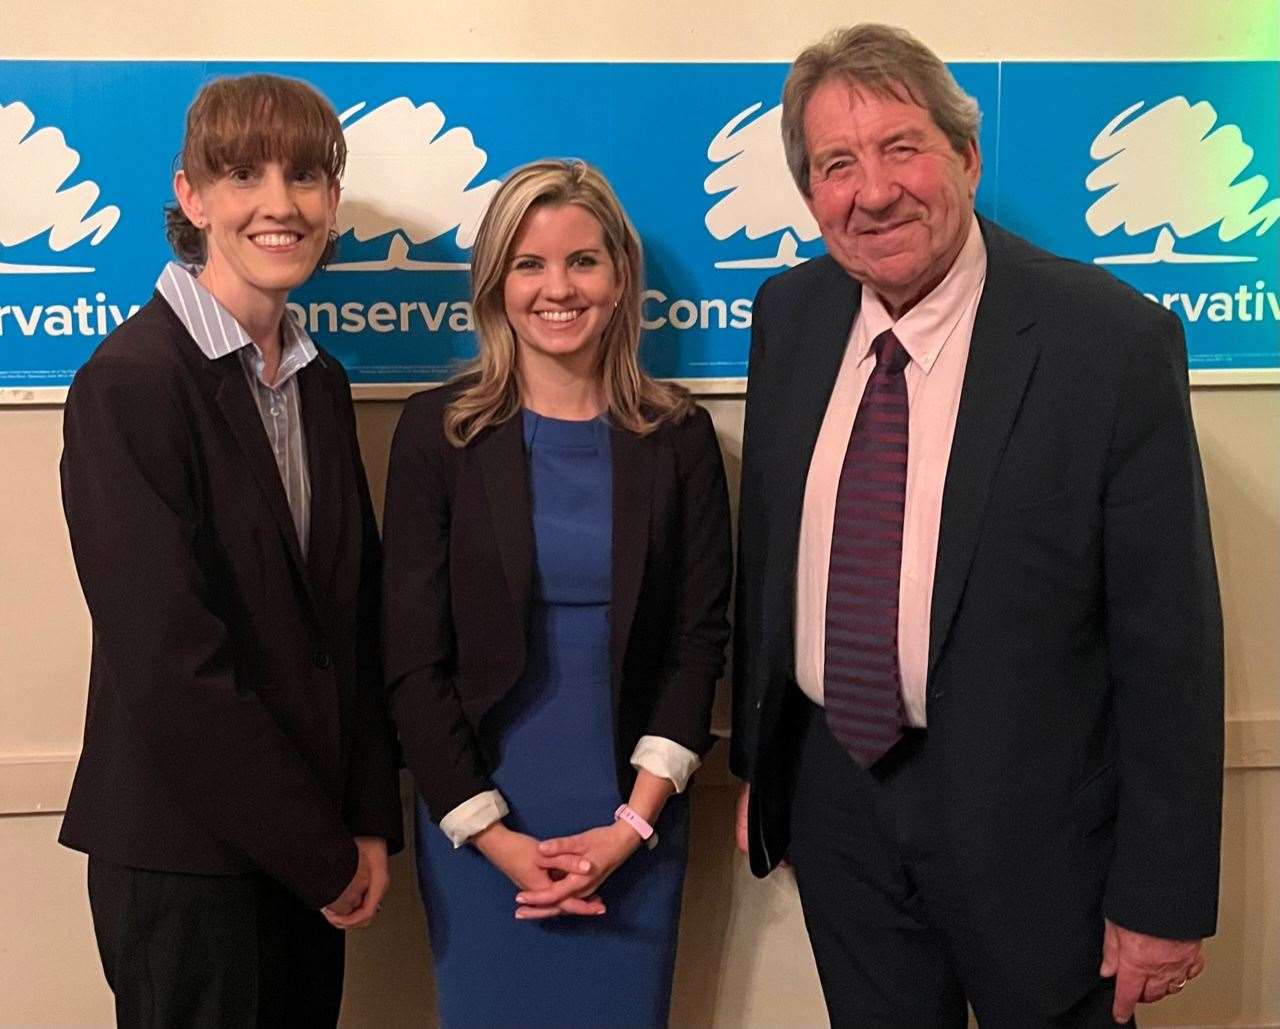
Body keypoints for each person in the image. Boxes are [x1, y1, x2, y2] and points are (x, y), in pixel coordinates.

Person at [730, 24, 1223, 1028]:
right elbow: (771, 555)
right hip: (838, 804)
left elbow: (1166, 642)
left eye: (900, 147)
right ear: (809, 195)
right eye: (835, 165)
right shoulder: (790, 315)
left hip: (1039, 835)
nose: (871, 192)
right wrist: (763, 767)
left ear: (963, 155)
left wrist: (1161, 897)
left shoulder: (1108, 342)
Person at [59, 74, 402, 1027]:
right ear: (192, 195)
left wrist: (369, 819)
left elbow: (352, 619)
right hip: (189, 862)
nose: (280, 203)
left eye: (305, 175)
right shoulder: (131, 383)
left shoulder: (319, 382)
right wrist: (321, 850)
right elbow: (172, 664)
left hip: (314, 853)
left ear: (333, 200)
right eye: (243, 173)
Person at [382, 157, 732, 1027]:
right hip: (479, 817)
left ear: (620, 277)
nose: (557, 287)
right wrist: (493, 836)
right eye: (529, 264)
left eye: (583, 260)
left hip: (632, 815)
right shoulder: (439, 432)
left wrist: (631, 827)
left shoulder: (679, 437)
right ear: (495, 283)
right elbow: (411, 659)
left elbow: (699, 643)